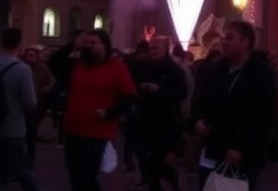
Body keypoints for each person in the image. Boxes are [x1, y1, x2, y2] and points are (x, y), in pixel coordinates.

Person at [193, 20, 277, 191]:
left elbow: (265, 117)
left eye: (230, 38)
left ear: (245, 42)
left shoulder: (260, 74)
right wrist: (198, 121)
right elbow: (201, 103)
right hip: (213, 148)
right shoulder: (216, 70)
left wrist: (242, 148)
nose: (223, 41)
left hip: (243, 156)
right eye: (223, 37)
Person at [63, 30, 138, 191]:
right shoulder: (77, 64)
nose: (89, 46)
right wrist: (73, 45)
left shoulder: (117, 68)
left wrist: (109, 112)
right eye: (86, 43)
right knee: (74, 174)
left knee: (87, 176)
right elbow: (55, 64)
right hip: (73, 129)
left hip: (97, 132)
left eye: (94, 43)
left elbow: (129, 97)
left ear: (105, 45)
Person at [0, 28, 41, 191]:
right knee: (21, 169)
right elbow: (30, 103)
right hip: (12, 128)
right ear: (19, 44)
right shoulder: (22, 69)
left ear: (0, 43)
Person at [132, 36, 189, 191]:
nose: (152, 51)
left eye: (156, 48)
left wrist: (159, 90)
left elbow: (182, 92)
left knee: (164, 161)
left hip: (167, 123)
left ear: (165, 49)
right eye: (150, 48)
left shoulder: (175, 70)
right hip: (145, 122)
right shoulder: (143, 68)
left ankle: (172, 182)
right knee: (150, 163)